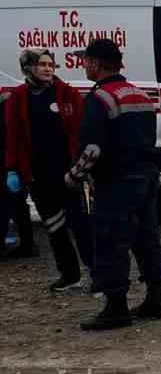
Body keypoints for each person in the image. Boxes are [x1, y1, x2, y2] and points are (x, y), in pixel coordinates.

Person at [67, 37, 161, 330]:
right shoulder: (139, 94)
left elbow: (92, 150)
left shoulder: (99, 99)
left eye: (85, 60)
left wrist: (73, 176)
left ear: (96, 64)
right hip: (147, 177)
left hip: (117, 182)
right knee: (148, 240)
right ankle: (156, 299)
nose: (83, 64)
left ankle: (116, 308)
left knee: (111, 243)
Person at [5, 49, 93, 290]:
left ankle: (99, 275)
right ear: (28, 68)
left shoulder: (67, 93)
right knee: (55, 227)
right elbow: (13, 136)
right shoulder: (18, 98)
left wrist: (82, 166)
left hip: (69, 173)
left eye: (50, 64)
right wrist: (12, 169)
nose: (47, 68)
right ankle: (70, 275)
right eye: (41, 64)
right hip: (37, 175)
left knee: (81, 225)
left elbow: (82, 130)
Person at [0, 79, 38, 262]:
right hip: (14, 161)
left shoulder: (8, 100)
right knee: (17, 204)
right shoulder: (12, 99)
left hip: (9, 161)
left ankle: (25, 245)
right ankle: (28, 244)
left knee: (8, 204)